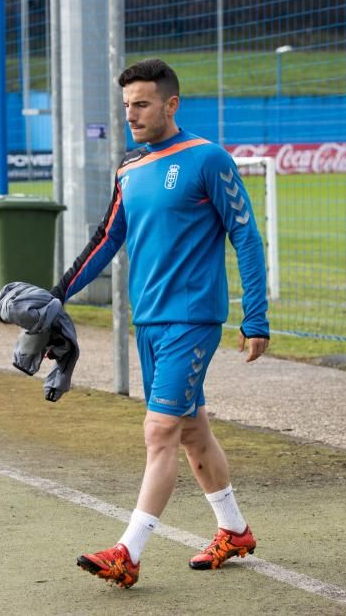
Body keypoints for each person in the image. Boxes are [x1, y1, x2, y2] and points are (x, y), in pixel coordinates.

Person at [51, 58, 270, 588]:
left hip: (192, 319)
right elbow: (107, 239)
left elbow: (245, 234)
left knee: (160, 430)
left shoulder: (206, 159)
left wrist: (256, 315)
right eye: (127, 105)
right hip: (147, 321)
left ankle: (128, 551)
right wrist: (56, 295)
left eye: (142, 103)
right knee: (192, 431)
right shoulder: (130, 168)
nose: (132, 114)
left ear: (171, 104)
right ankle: (234, 530)